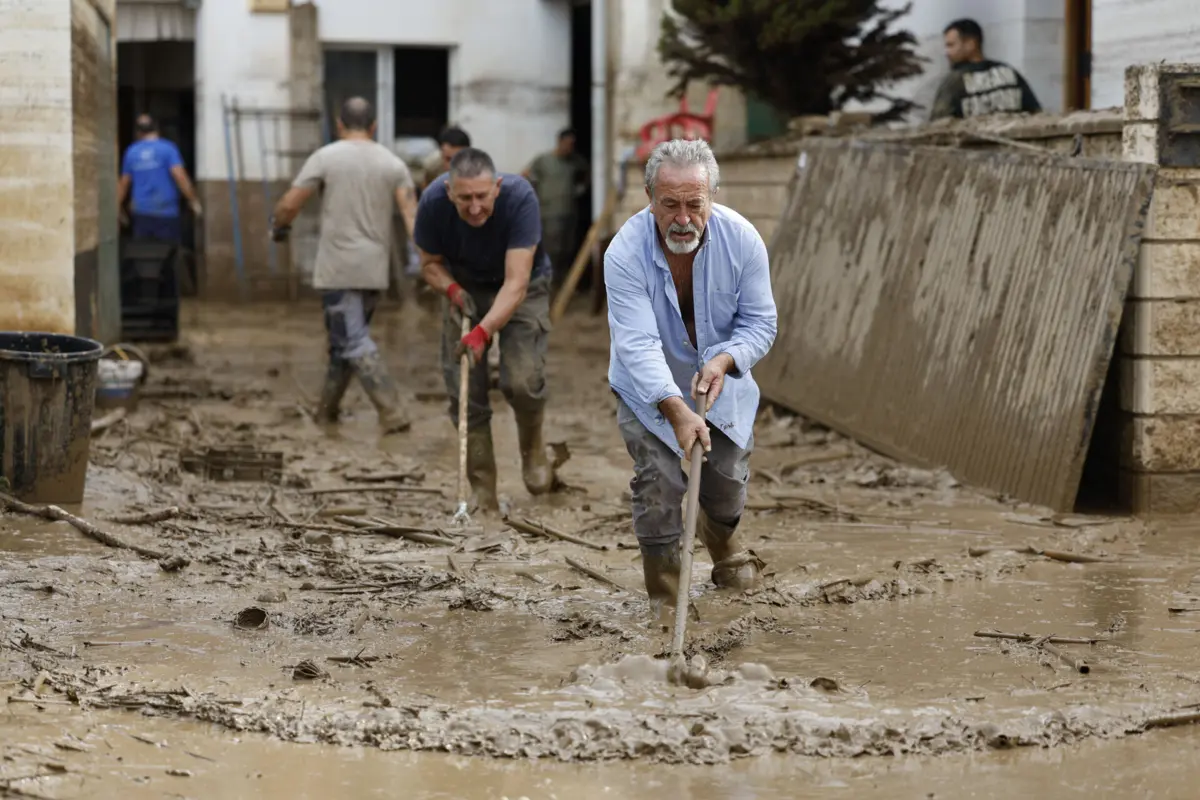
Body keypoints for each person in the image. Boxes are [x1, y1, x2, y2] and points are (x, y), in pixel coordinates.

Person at [605, 138, 777, 613]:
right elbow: (636, 343)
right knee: (659, 482)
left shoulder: (743, 241)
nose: (683, 218)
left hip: (720, 382)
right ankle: (665, 595)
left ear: (712, 198)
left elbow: (761, 323)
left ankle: (721, 540)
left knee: (725, 484)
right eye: (670, 204)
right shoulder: (624, 253)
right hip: (648, 390)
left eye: (694, 205)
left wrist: (725, 360)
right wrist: (675, 408)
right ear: (649, 198)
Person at [414, 147, 558, 511]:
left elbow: (516, 283)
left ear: (496, 187)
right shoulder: (431, 203)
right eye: (465, 198)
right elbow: (429, 264)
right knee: (465, 389)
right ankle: (482, 490)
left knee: (522, 381)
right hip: (465, 287)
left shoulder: (520, 198)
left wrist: (483, 333)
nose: (475, 206)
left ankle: (534, 453)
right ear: (449, 192)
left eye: (482, 196)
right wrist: (451, 289)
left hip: (521, 287)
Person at [271, 97, 418, 434]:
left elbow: (290, 204)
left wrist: (279, 226)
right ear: (374, 125)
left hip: (339, 268)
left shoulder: (325, 157)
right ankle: (327, 411)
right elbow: (413, 217)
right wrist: (427, 259)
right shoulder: (393, 163)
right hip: (373, 269)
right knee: (345, 342)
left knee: (352, 341)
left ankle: (393, 412)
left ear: (339, 124)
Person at [930, 19, 1041, 121]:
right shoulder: (1008, 72)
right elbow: (1036, 114)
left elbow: (937, 129)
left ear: (970, 44)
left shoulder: (954, 82)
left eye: (951, 45)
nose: (947, 53)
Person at [118, 114, 202, 243]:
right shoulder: (168, 148)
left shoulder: (131, 152)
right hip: (166, 213)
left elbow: (124, 183)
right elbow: (180, 176)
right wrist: (193, 200)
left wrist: (118, 207)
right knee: (168, 252)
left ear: (138, 132)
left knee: (144, 253)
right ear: (157, 129)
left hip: (141, 213)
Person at [523, 128, 588, 286]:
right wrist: (535, 194)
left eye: (572, 144)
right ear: (559, 142)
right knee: (552, 251)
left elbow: (587, 172)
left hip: (569, 212)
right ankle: (547, 285)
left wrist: (580, 189)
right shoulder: (544, 160)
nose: (569, 147)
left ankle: (562, 285)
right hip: (549, 213)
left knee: (567, 249)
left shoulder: (574, 161)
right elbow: (525, 174)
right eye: (567, 144)